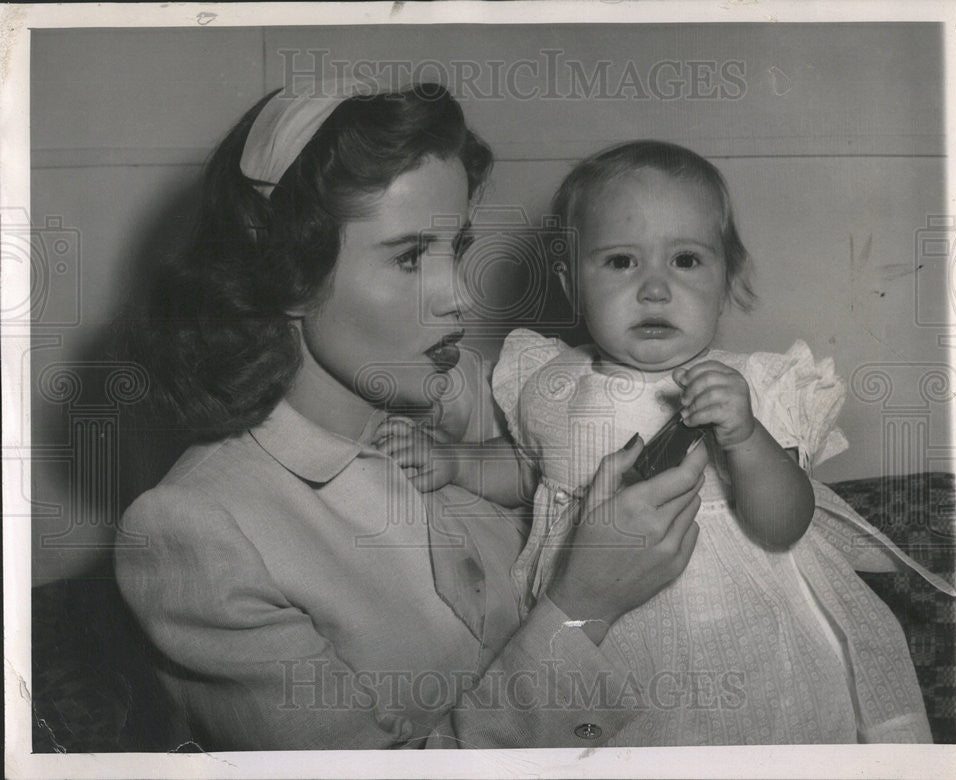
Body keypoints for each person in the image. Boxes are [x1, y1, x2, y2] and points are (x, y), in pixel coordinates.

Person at [114, 87, 710, 751]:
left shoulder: (485, 400)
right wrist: (582, 610)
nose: (457, 296)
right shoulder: (196, 529)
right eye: (408, 257)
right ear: (286, 274)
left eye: (454, 247)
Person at [376, 140, 955, 745]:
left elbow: (786, 522)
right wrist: (457, 462)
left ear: (726, 279)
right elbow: (532, 470)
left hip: (747, 640)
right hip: (608, 644)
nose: (654, 289)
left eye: (685, 260)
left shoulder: (752, 385)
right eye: (622, 262)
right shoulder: (553, 381)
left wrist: (748, 436)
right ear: (573, 283)